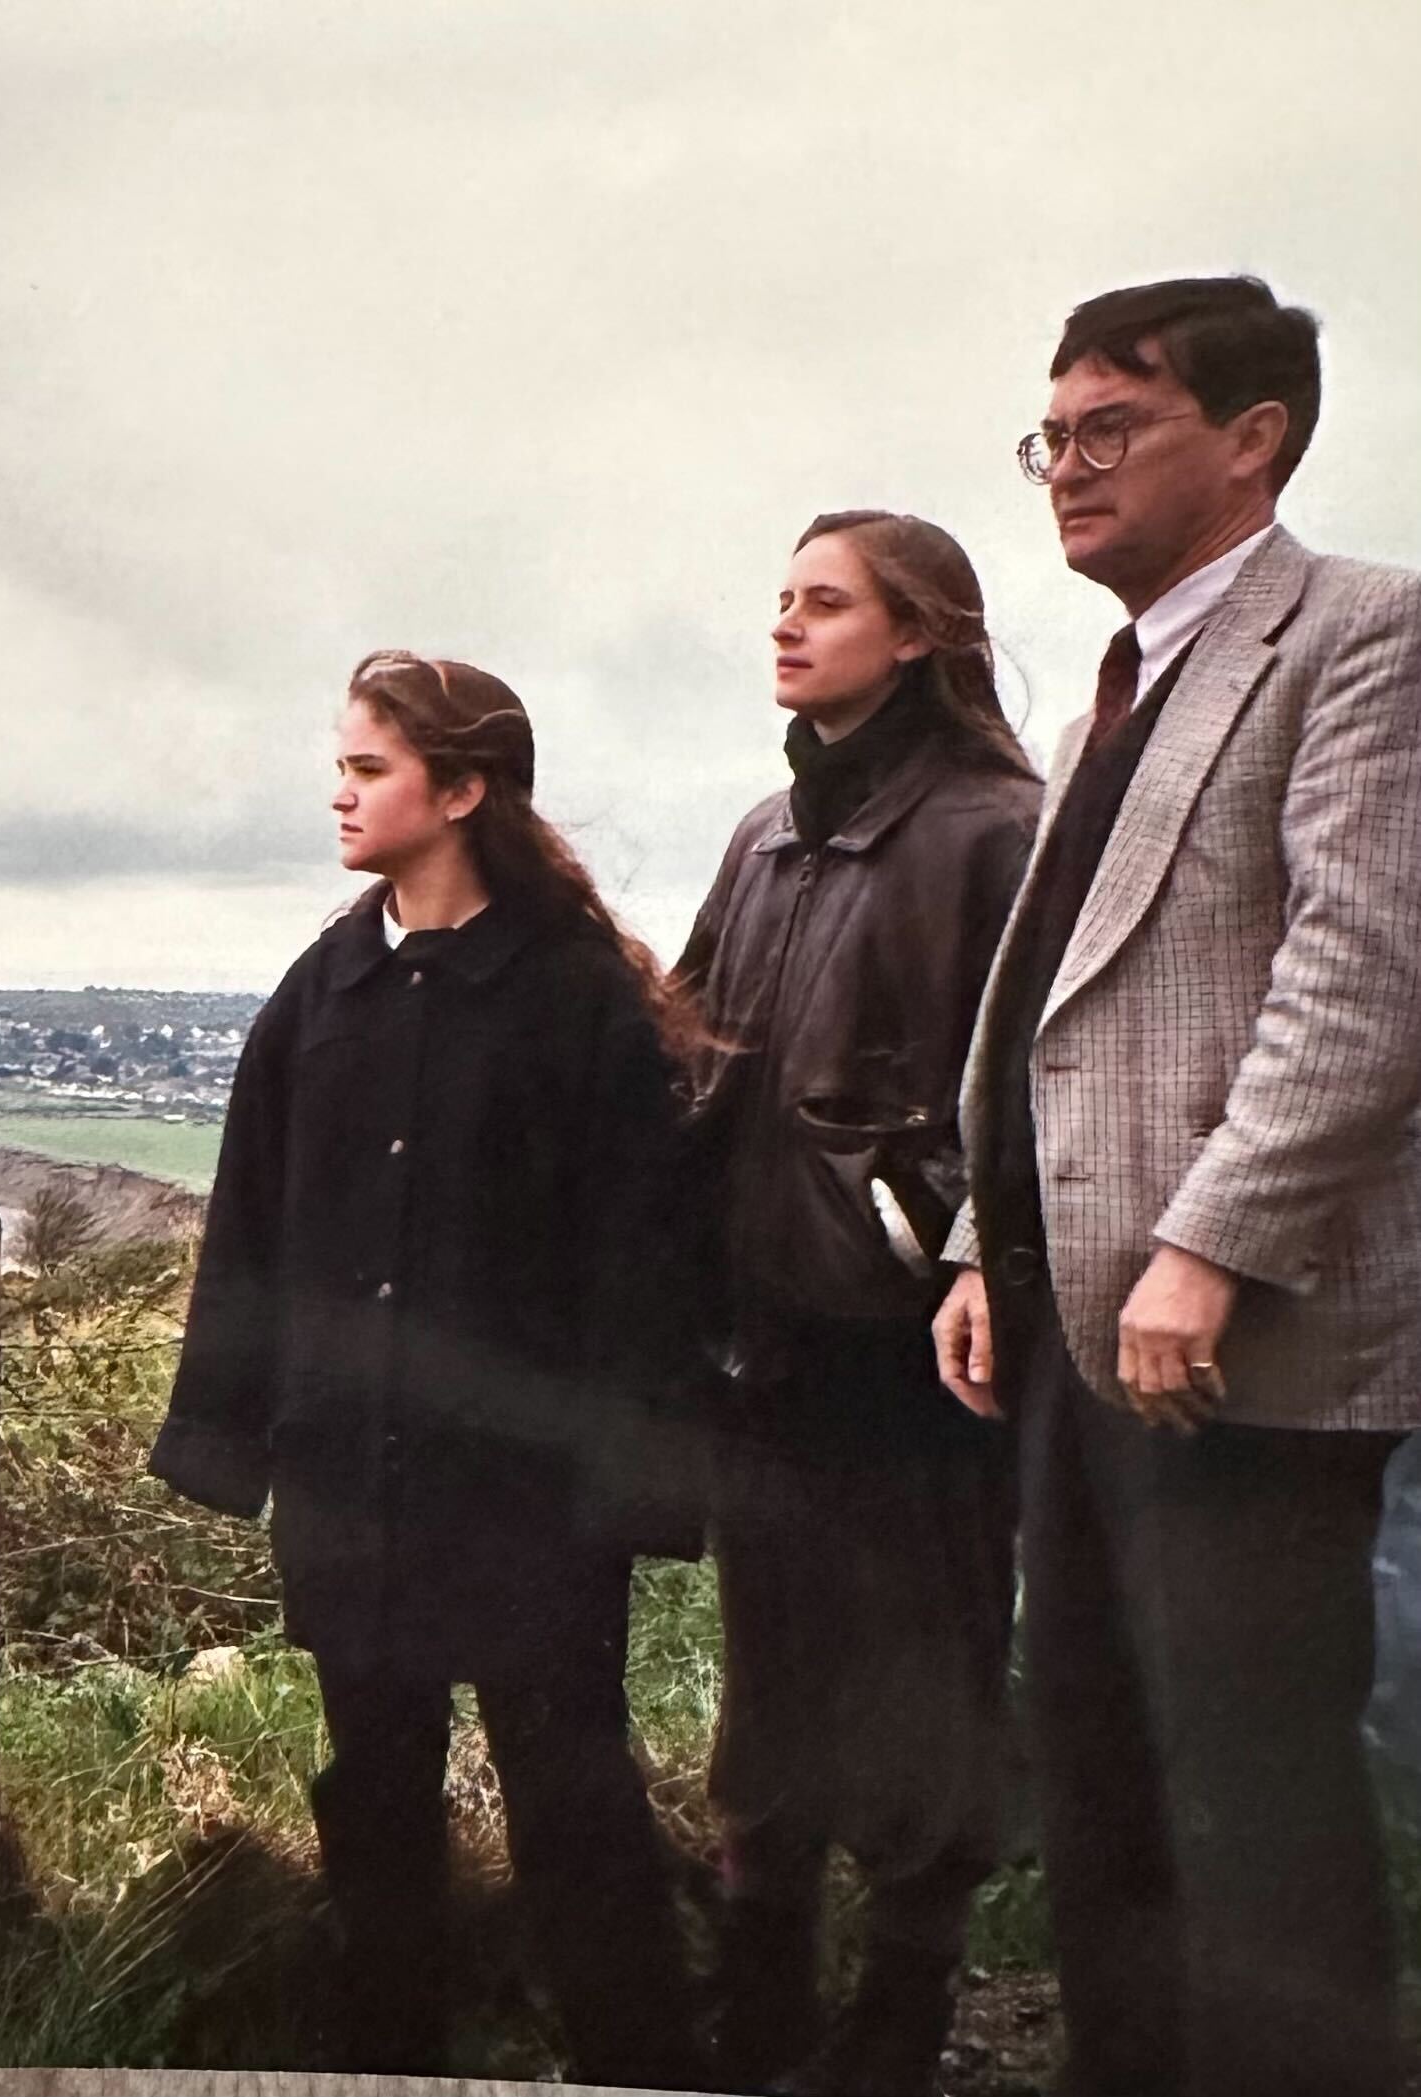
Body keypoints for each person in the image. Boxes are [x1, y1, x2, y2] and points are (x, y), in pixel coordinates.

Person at [934, 275, 1421, 2097]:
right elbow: (1063, 1009)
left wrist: (1210, 1245)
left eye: (1109, 428)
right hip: (1083, 1327)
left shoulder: (1365, 633)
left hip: (1243, 1348)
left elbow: (1367, 978)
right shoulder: (1124, 689)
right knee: (1104, 1775)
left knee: (1254, 1804)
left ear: (1256, 437)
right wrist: (992, 1242)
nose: (1064, 468)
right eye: (1048, 435)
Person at [148, 650, 706, 2085]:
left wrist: (634, 1482)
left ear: (460, 789)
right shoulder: (318, 995)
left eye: (369, 768)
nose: (339, 793)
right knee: (375, 1802)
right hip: (352, 1485)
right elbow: (250, 1230)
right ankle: (387, 2063)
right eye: (340, 764)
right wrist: (227, 1439)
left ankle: (637, 2066)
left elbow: (639, 1261)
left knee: (573, 1795)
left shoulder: (578, 999)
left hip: (527, 1503)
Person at [673, 512, 1040, 2095]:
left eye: (825, 601)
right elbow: (688, 1058)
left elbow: (1037, 1090)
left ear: (921, 634)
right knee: (771, 1701)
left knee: (920, 1693)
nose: (786, 623)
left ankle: (896, 2027)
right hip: (763, 1347)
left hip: (917, 1357)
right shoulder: (765, 833)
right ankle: (755, 2012)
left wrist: (929, 1239)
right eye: (782, 597)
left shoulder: (997, 829)